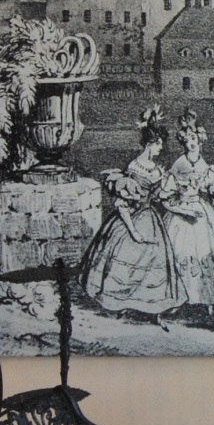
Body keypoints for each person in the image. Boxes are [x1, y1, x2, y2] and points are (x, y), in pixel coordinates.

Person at [80, 107, 178, 319]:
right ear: (150, 144)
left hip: (150, 219)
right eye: (159, 144)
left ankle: (148, 307)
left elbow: (157, 197)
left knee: (153, 260)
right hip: (129, 220)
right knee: (125, 259)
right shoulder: (135, 167)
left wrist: (169, 189)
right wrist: (133, 231)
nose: (161, 148)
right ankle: (120, 304)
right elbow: (123, 204)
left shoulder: (156, 169)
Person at [162, 109, 214, 316]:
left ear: (200, 139)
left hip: (203, 214)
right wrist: (181, 211)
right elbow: (165, 198)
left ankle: (208, 299)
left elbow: (212, 196)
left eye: (193, 139)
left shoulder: (205, 165)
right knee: (181, 253)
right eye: (186, 140)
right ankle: (178, 300)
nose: (191, 143)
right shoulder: (179, 164)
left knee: (205, 253)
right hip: (181, 213)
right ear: (182, 143)